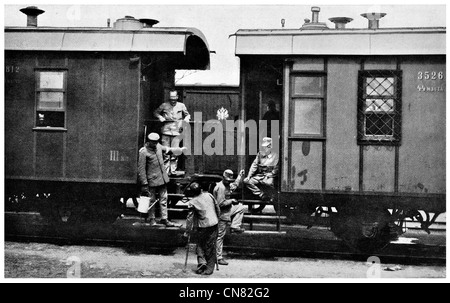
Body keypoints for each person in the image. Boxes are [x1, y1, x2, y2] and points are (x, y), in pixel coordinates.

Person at [137, 132, 185, 227]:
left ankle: (164, 218)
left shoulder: (158, 146)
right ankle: (152, 219)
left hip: (162, 179)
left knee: (164, 199)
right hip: (151, 181)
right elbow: (141, 169)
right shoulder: (143, 152)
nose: (155, 144)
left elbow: (168, 150)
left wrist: (180, 150)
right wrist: (144, 183)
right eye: (153, 142)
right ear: (149, 141)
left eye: (156, 142)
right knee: (151, 200)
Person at [185, 182, 220, 275]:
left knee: (200, 244)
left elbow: (190, 219)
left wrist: (187, 231)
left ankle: (202, 264)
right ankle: (207, 266)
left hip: (203, 226)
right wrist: (217, 218)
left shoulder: (192, 202)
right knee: (210, 245)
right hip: (213, 223)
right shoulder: (209, 195)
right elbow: (217, 208)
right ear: (200, 189)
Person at [153, 90, 191, 175]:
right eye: (171, 98)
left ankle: (173, 171)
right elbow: (155, 112)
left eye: (174, 98)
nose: (173, 100)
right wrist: (160, 117)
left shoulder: (181, 105)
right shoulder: (164, 105)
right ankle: (166, 171)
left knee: (175, 152)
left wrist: (186, 119)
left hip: (177, 131)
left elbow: (187, 114)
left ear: (177, 97)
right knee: (165, 152)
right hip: (166, 130)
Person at [214, 169, 245, 266]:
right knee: (220, 236)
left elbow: (234, 185)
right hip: (221, 213)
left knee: (241, 207)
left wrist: (239, 176)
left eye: (229, 180)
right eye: (227, 180)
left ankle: (235, 226)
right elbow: (220, 203)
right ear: (223, 177)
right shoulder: (221, 188)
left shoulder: (226, 185)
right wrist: (231, 201)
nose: (229, 182)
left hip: (227, 211)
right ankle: (218, 257)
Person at [244, 137, 279, 201]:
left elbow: (276, 167)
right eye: (264, 146)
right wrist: (249, 176)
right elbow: (254, 165)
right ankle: (261, 194)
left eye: (266, 146)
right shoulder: (260, 154)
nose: (264, 148)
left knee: (268, 183)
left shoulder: (275, 155)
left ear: (270, 146)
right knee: (247, 181)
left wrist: (271, 174)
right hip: (260, 175)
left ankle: (273, 196)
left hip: (269, 175)